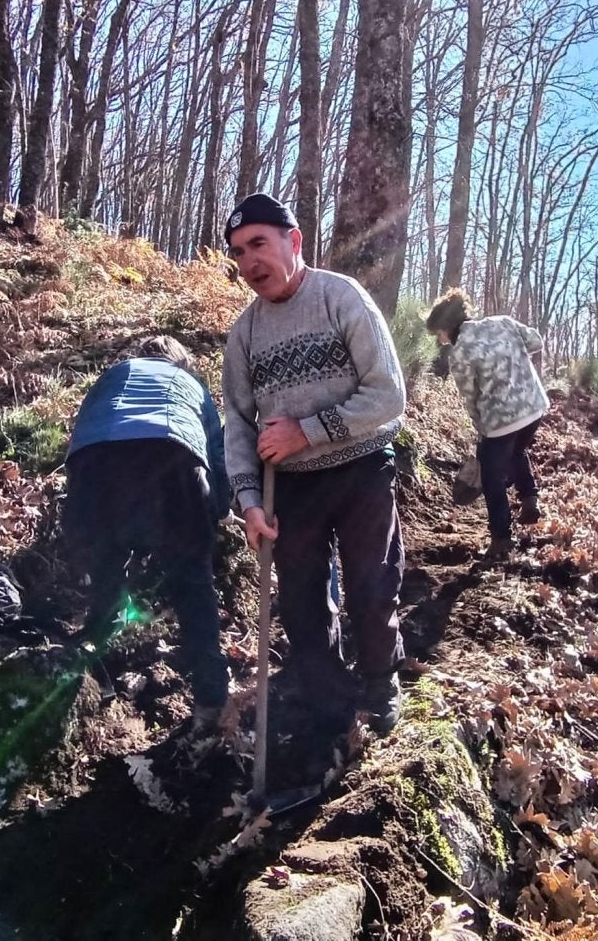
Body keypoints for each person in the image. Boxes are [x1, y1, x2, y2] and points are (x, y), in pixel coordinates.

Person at [221, 192, 407, 733]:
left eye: (259, 244)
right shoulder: (245, 332)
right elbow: (238, 423)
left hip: (361, 468)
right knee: (301, 598)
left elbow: (389, 395)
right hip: (290, 484)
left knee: (371, 585)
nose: (250, 262)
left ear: (294, 241)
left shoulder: (340, 297)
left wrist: (306, 430)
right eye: (238, 252)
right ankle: (326, 695)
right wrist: (249, 502)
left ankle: (380, 681)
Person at [63, 335, 230, 730]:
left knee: (105, 566)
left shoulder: (113, 375)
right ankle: (210, 700)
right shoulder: (191, 384)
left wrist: (82, 515)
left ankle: (95, 660)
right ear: (182, 363)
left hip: (96, 462)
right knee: (192, 581)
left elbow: (83, 434)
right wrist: (216, 512)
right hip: (172, 453)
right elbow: (217, 453)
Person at [425, 289, 549, 561]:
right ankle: (530, 502)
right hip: (535, 407)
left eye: (439, 334)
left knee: (492, 478)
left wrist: (481, 429)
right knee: (516, 452)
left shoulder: (460, 352)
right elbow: (536, 341)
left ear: (446, 327)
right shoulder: (502, 322)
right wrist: (512, 358)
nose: (439, 340)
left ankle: (501, 540)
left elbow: (470, 397)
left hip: (500, 421)